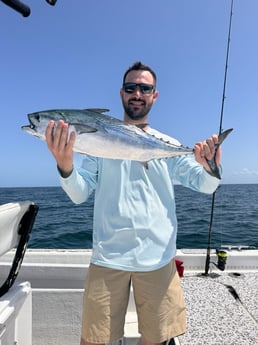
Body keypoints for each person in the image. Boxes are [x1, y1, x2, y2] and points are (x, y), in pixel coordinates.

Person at [45, 61, 221, 345]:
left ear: (154, 95)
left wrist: (211, 166)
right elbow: (79, 194)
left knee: (156, 340)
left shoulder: (165, 143)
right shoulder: (96, 142)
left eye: (144, 88)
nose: (137, 93)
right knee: (94, 340)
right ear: (121, 93)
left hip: (158, 260)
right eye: (131, 87)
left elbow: (204, 183)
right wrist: (65, 165)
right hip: (108, 258)